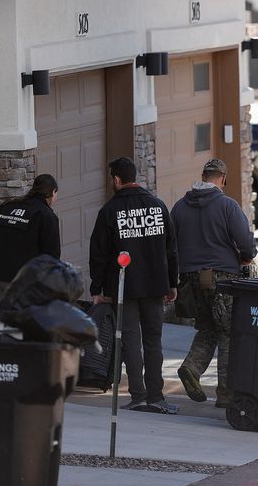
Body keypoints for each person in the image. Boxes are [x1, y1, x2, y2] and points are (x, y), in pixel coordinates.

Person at [89, 157, 179, 414]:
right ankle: (156, 396)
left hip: (123, 288)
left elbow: (98, 254)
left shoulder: (108, 211)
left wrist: (97, 289)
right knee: (154, 342)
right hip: (154, 286)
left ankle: (138, 396)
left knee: (130, 341)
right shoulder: (157, 206)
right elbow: (171, 250)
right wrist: (172, 283)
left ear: (117, 179)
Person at [172, 159, 257, 408]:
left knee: (208, 328)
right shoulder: (227, 205)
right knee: (229, 334)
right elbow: (246, 244)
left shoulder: (178, 207)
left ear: (203, 176)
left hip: (190, 281)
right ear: (222, 179)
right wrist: (246, 256)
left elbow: (171, 246)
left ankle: (191, 368)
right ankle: (226, 394)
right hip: (222, 280)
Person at [0, 174, 61, 307]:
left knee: (6, 316)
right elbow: (52, 255)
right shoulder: (46, 215)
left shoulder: (9, 205)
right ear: (52, 192)